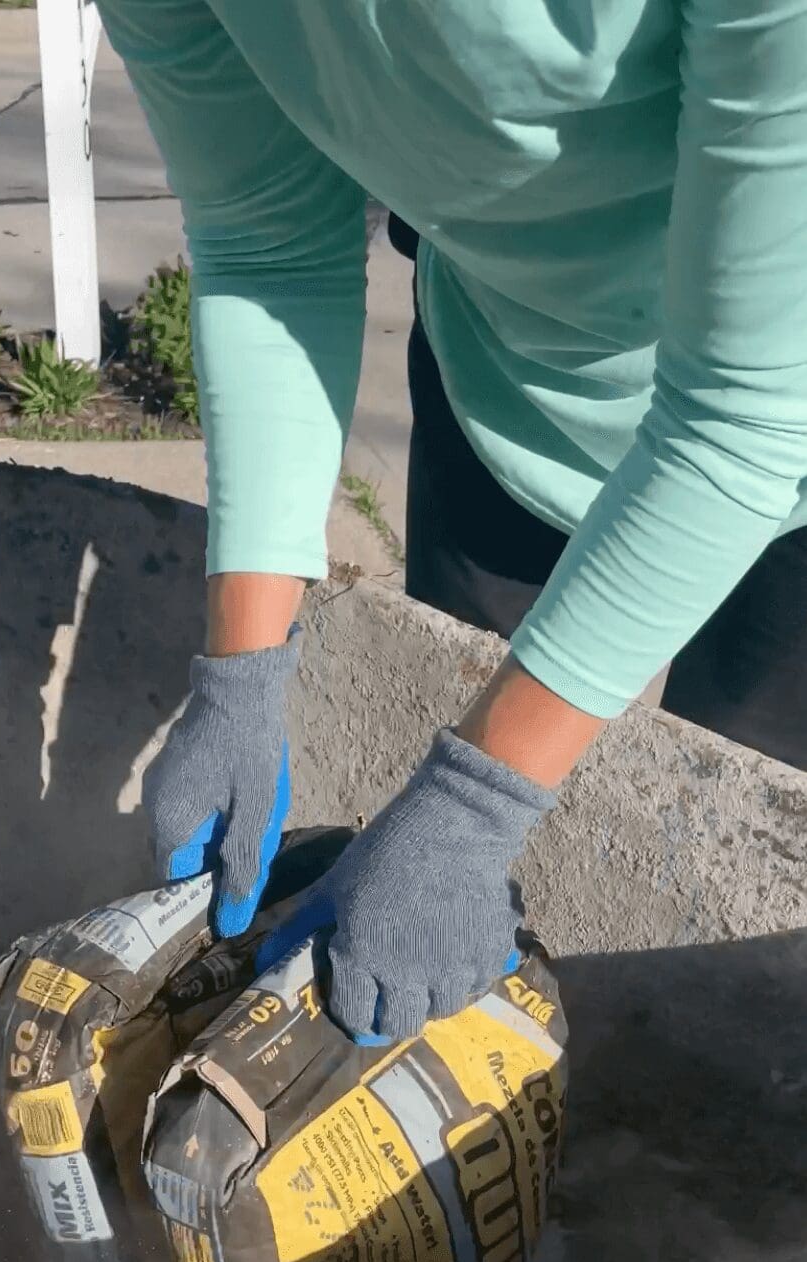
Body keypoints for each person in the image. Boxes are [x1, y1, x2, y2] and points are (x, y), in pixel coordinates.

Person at [101, 0, 807, 1043]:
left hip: (783, 430)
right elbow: (267, 245)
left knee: (737, 909)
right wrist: (240, 677)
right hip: (509, 379)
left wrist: (477, 802)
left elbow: (747, 417)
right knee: (432, 862)